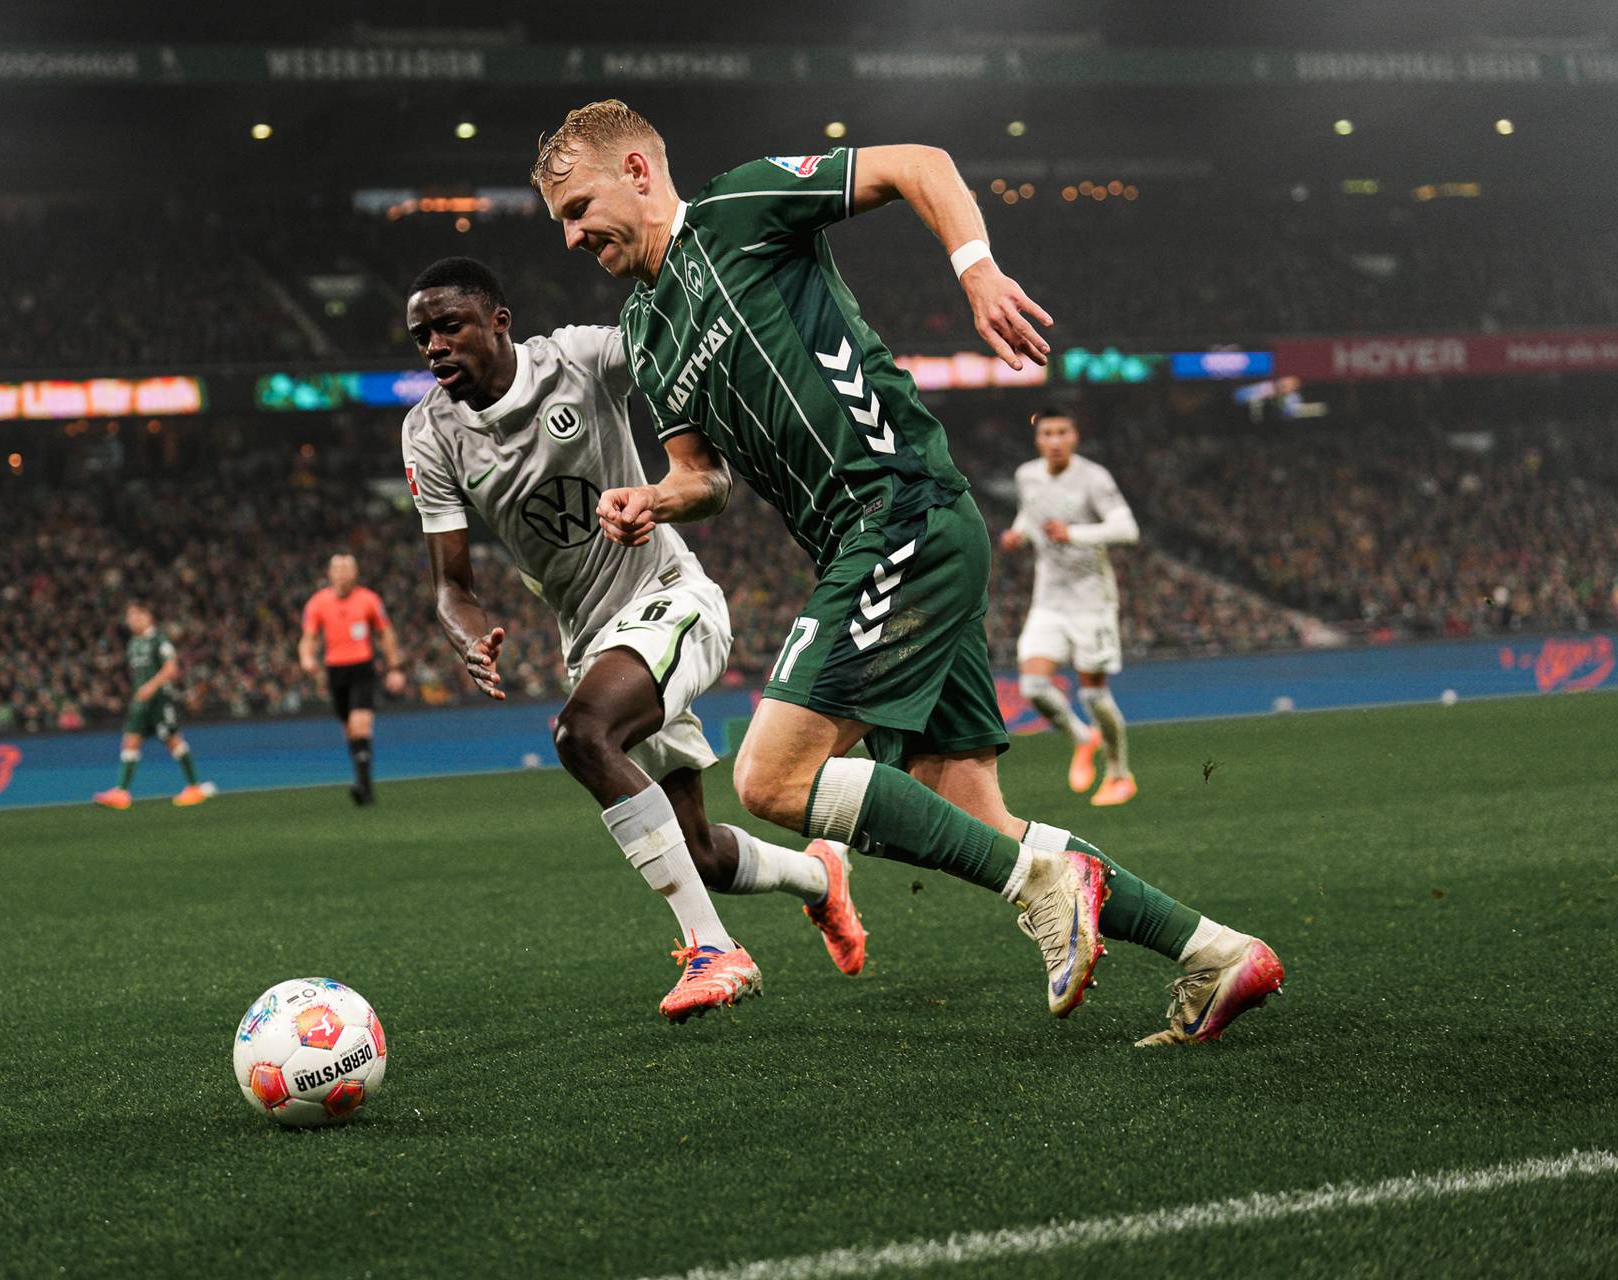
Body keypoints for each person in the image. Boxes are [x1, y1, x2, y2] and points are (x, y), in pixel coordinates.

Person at [532, 100, 1282, 1046]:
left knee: (771, 777)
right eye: (558, 221)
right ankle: (1213, 950)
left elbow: (919, 163)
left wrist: (977, 272)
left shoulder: (735, 208)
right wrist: (656, 498)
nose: (570, 236)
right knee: (971, 814)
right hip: (878, 540)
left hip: (899, 510)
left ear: (639, 171)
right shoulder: (645, 331)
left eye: (579, 205)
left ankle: (1052, 885)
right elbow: (704, 477)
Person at [401, 255, 866, 1021]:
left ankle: (716, 952)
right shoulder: (429, 433)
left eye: (449, 326)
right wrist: (466, 631)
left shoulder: (577, 360)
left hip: (670, 599)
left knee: (581, 734)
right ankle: (823, 882)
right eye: (421, 336)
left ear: (498, 321)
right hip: (591, 639)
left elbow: (670, 343)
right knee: (704, 852)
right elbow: (452, 584)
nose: (434, 348)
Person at [1000, 407, 1140, 806]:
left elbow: (1127, 530)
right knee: (1034, 687)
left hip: (1092, 601)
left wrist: (1073, 533)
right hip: (1048, 599)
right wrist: (1018, 535)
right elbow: (1030, 511)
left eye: (1063, 432)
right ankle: (1084, 738)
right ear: (1038, 439)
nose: (1056, 440)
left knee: (1094, 696)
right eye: (1048, 433)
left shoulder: (1093, 478)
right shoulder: (1027, 475)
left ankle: (1118, 773)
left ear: (1075, 437)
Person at [299, 554, 407, 805]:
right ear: (330, 572)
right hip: (335, 672)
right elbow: (309, 637)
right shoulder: (317, 603)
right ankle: (364, 781)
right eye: (338, 568)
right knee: (349, 731)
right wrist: (307, 658)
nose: (343, 573)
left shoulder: (369, 600)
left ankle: (363, 787)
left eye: (347, 568)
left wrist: (395, 667)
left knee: (361, 725)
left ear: (355, 572)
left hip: (362, 669)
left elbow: (385, 634)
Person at [93, 601, 213, 809]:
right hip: (141, 702)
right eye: (129, 617)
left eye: (136, 615)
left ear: (147, 616)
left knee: (173, 741)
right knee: (130, 742)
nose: (131, 620)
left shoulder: (159, 640)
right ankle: (121, 792)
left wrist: (151, 686)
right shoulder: (133, 643)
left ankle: (194, 787)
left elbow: (171, 668)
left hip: (159, 700)